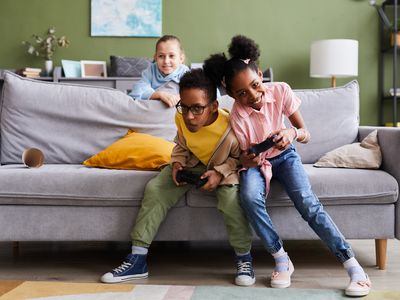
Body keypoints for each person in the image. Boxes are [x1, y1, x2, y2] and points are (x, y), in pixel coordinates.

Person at [203, 35, 371, 297]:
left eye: (256, 85)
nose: (253, 96)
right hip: (259, 164)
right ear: (232, 95)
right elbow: (247, 155)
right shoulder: (237, 114)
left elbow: (305, 132)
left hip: (287, 156)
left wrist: (291, 134)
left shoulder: (281, 90)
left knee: (308, 203)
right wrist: (250, 159)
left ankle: (352, 265)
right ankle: (281, 258)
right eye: (242, 94)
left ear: (260, 74)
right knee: (248, 197)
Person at [101, 68, 255, 286]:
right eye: (184, 106)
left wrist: (220, 173)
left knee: (231, 201)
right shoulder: (181, 116)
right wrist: (177, 164)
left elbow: (240, 159)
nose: (189, 115)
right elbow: (181, 145)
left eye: (197, 109)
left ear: (213, 107)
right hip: (191, 165)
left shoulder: (232, 125)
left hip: (224, 168)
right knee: (155, 189)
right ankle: (138, 259)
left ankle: (244, 258)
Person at [129, 35, 189, 107]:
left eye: (171, 56)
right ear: (155, 58)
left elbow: (192, 92)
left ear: (181, 58)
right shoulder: (151, 70)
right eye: (161, 56)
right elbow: (138, 90)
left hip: (173, 108)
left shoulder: (184, 72)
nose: (166, 61)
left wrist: (178, 98)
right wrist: (159, 94)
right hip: (153, 108)